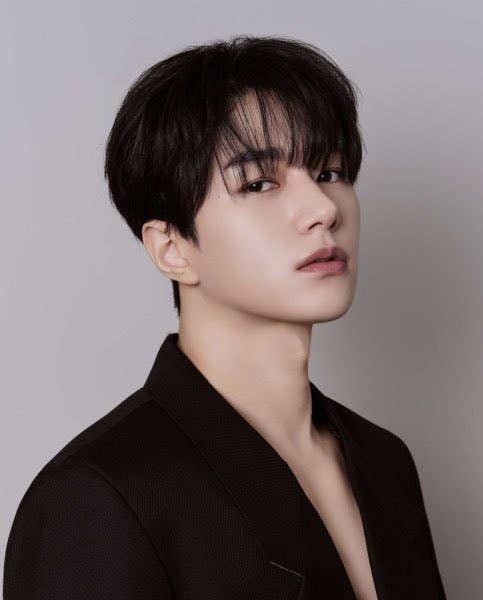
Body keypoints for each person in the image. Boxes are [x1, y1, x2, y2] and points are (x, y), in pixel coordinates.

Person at [3, 35, 446, 599]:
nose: (323, 209)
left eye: (330, 172)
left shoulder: (384, 462)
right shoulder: (96, 498)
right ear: (172, 248)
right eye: (259, 183)